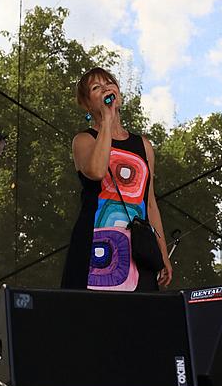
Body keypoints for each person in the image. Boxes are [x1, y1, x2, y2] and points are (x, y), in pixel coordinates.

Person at [61, 67, 173, 291]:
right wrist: (106, 120)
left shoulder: (144, 146)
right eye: (96, 87)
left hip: (138, 250)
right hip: (94, 244)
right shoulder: (84, 140)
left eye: (108, 83)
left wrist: (162, 252)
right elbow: (96, 171)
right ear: (86, 104)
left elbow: (149, 203)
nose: (105, 88)